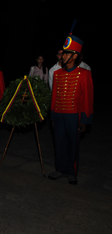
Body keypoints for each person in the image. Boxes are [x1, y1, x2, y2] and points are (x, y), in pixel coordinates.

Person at [49, 32, 94, 185]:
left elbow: (87, 98)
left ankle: (71, 172)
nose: (62, 56)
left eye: (66, 53)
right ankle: (60, 169)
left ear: (74, 56)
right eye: (62, 53)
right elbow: (54, 95)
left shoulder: (84, 74)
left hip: (74, 116)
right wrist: (53, 115)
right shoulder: (57, 74)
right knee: (59, 143)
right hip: (60, 114)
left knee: (72, 144)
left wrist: (85, 119)